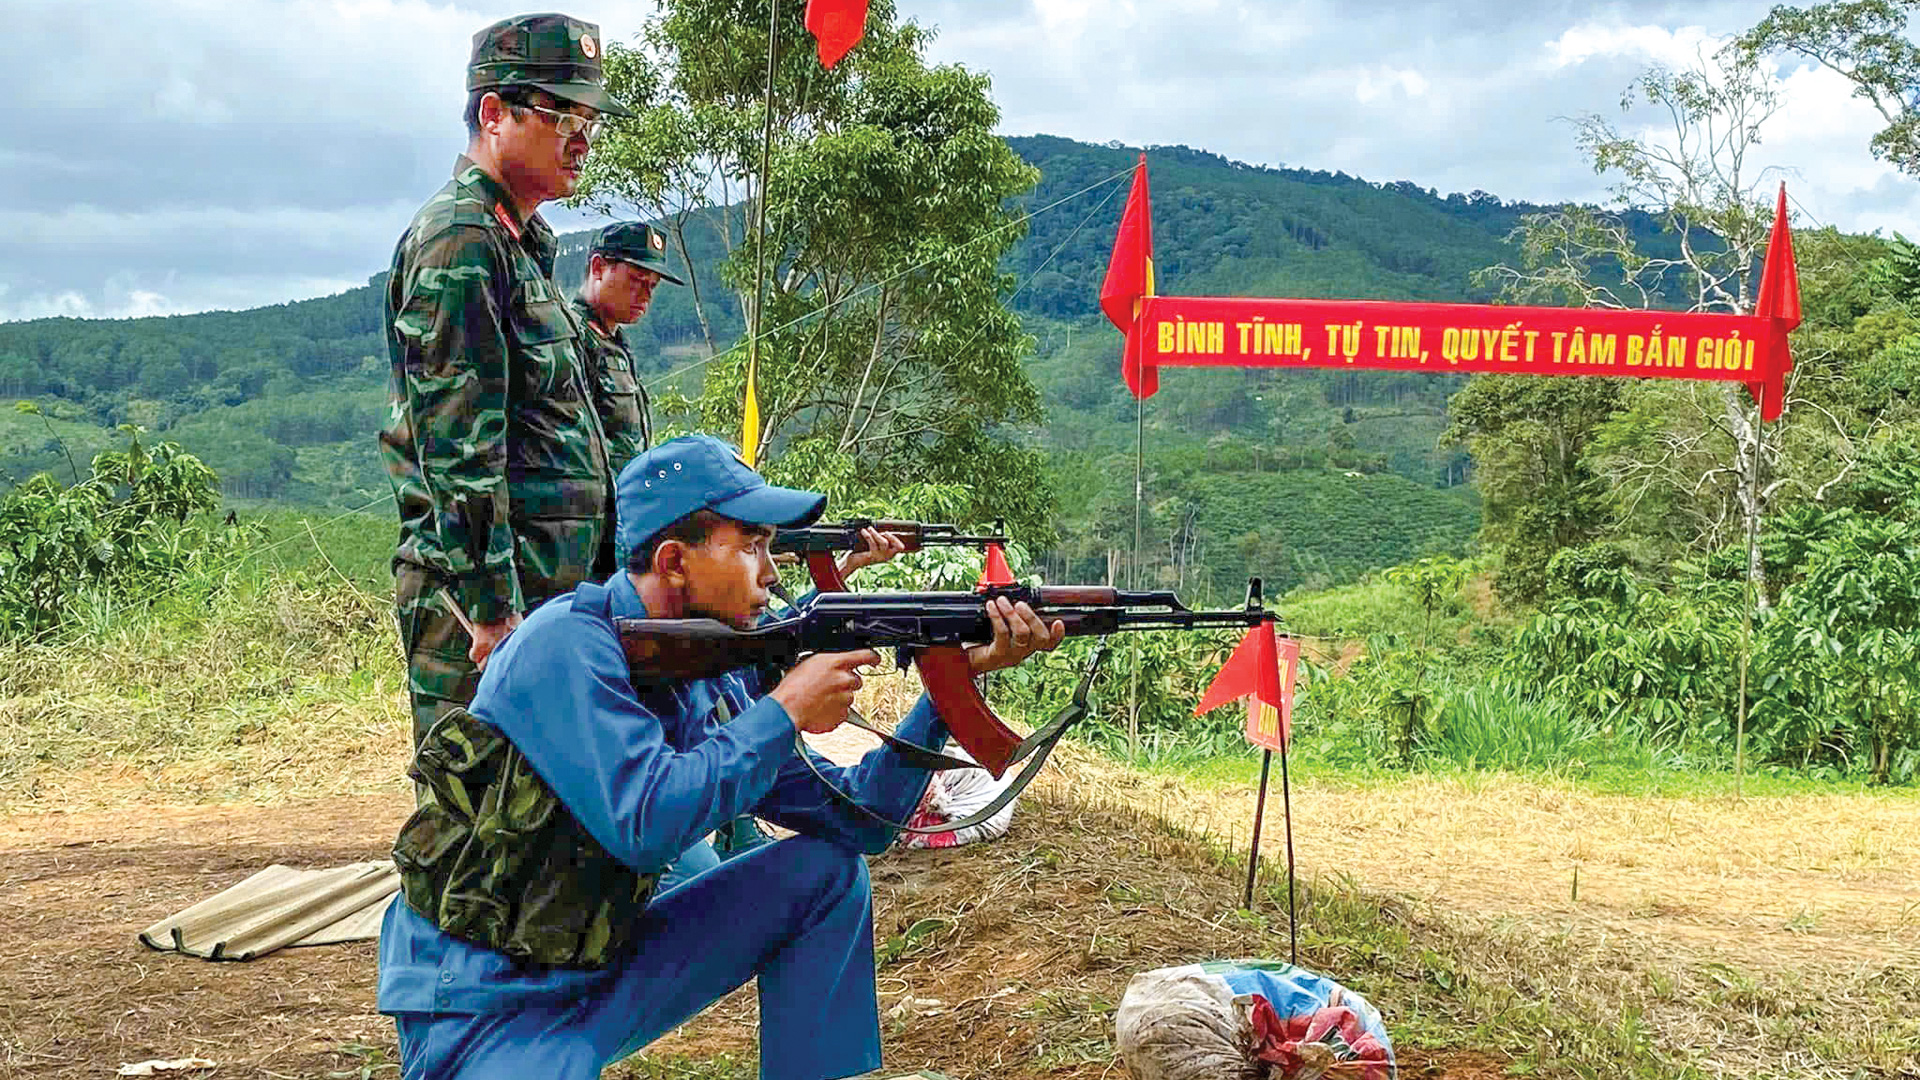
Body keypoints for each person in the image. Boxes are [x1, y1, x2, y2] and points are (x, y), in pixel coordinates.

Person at [378, 435, 1064, 1079]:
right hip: (482, 1003)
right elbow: (645, 825)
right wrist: (783, 710)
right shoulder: (563, 648)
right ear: (676, 562)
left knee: (826, 872)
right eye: (753, 547)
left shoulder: (714, 672)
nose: (771, 574)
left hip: (601, 963)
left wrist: (950, 687)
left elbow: (863, 821)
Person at [378, 12, 629, 747]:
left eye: (588, 118)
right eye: (561, 115)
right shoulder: (461, 241)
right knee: (480, 824)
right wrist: (493, 612)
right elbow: (460, 443)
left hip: (550, 598)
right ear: (494, 113)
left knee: (549, 827)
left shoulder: (522, 245)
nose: (581, 138)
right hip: (489, 610)